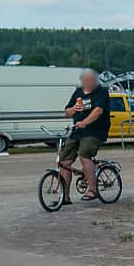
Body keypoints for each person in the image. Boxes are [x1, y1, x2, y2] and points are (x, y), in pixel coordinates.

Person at [58, 69, 111, 199]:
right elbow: (67, 112)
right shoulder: (78, 92)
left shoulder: (102, 92)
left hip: (95, 131)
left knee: (84, 155)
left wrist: (85, 122)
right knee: (64, 161)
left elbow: (98, 111)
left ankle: (92, 190)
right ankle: (64, 197)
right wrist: (73, 109)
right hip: (77, 131)